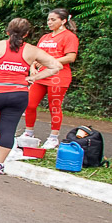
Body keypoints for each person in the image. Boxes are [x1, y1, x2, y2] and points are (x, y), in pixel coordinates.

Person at [0, 19, 61, 174]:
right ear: (27, 34)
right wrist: (34, 78)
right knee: (8, 129)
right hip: (18, 95)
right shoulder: (32, 50)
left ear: (7, 31)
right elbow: (56, 66)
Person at [21, 8, 79, 150]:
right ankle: (28, 133)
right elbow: (36, 55)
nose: (49, 22)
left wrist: (49, 61)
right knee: (29, 104)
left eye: (53, 20)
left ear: (64, 21)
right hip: (40, 77)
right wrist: (33, 67)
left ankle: (53, 137)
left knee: (55, 107)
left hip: (58, 77)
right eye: (48, 19)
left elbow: (71, 57)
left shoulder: (69, 36)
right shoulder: (45, 37)